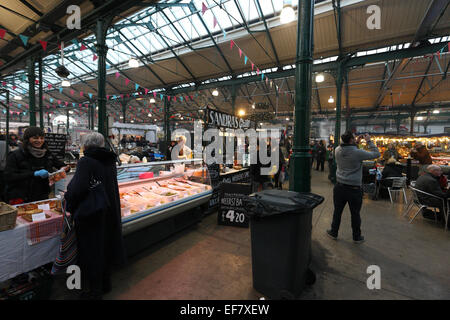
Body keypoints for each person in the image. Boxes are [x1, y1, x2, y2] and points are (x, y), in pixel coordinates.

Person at [64, 132, 126, 300]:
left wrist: (67, 198)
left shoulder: (86, 161)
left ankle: (94, 291)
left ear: (85, 145)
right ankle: (106, 284)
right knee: (104, 247)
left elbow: (78, 189)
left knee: (92, 251)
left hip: (92, 213)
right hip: (109, 209)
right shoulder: (109, 159)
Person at [327, 131, 380, 243]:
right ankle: (356, 237)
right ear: (351, 140)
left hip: (339, 187)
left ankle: (334, 231)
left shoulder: (337, 150)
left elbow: (349, 149)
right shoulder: (358, 153)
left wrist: (356, 142)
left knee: (337, 211)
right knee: (355, 214)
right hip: (354, 189)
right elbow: (376, 154)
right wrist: (369, 141)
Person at [4, 126, 69, 204]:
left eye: (42, 138)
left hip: (42, 195)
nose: (39, 140)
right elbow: (9, 176)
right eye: (35, 138)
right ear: (27, 139)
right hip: (21, 197)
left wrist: (64, 168)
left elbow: (62, 165)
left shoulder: (47, 154)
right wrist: (33, 174)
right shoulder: (15, 155)